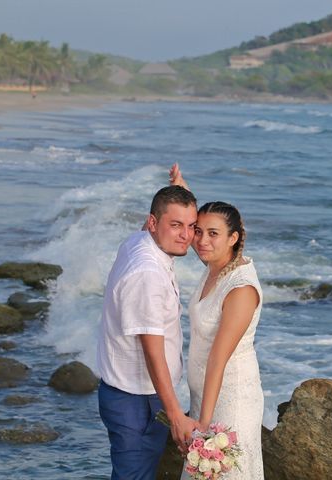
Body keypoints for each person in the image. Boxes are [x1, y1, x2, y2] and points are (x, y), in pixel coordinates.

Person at [96, 185, 200, 480]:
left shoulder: (139, 241)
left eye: (191, 226)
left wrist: (177, 191)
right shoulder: (148, 275)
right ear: (153, 223)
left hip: (126, 393)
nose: (186, 236)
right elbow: (153, 353)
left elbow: (165, 222)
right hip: (137, 400)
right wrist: (176, 415)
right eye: (176, 225)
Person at [171, 165, 264, 479]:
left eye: (213, 234)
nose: (201, 240)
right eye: (198, 231)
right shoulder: (216, 266)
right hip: (205, 398)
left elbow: (218, 359)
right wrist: (182, 191)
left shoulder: (240, 290)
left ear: (233, 238)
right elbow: (208, 218)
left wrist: (204, 426)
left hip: (230, 403)